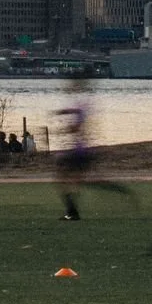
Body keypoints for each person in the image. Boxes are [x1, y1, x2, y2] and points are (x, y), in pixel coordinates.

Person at [55, 88, 131, 222]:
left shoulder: (82, 108)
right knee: (75, 181)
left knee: (66, 180)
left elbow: (77, 126)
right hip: (81, 152)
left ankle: (73, 212)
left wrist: (64, 128)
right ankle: (73, 212)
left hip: (80, 153)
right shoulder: (83, 106)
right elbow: (77, 114)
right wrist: (64, 113)